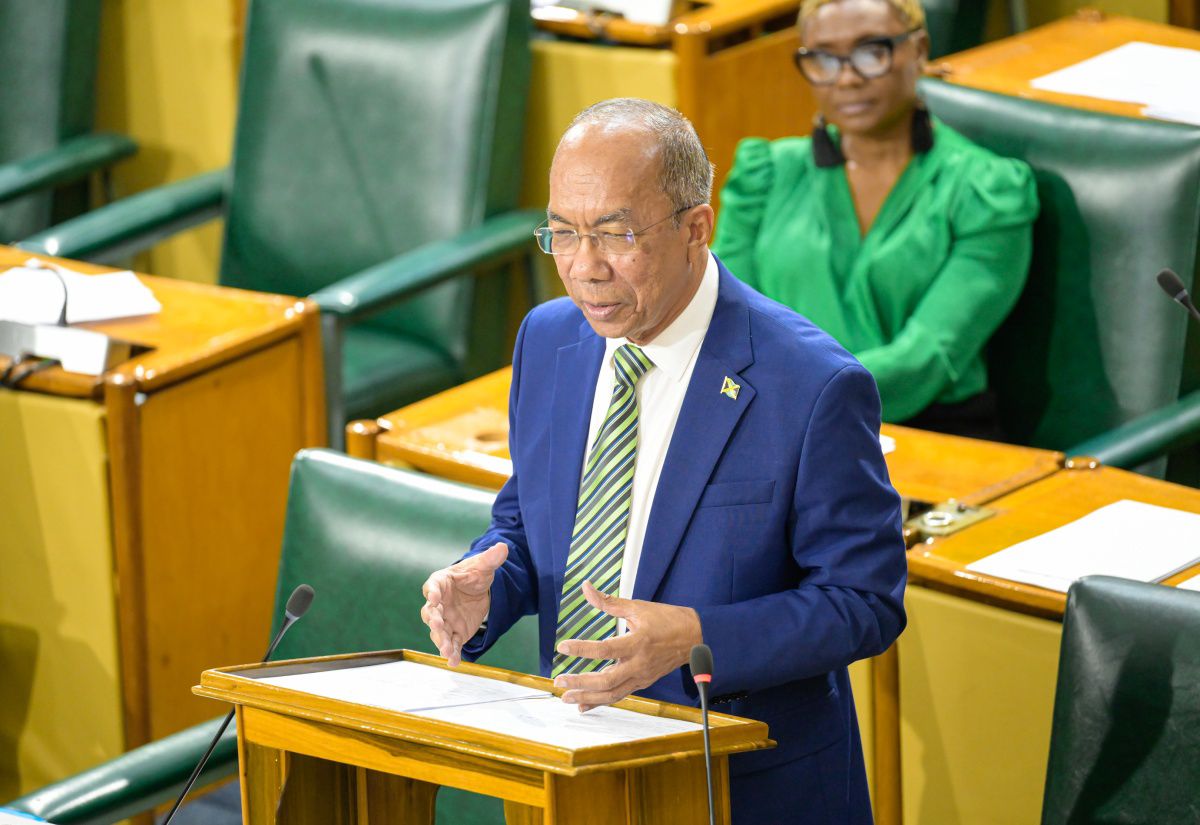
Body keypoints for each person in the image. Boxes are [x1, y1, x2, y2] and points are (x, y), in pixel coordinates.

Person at [420, 98, 906, 824]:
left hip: (742, 785)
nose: (585, 268)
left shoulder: (811, 385)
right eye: (562, 233)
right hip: (577, 768)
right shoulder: (548, 339)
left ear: (695, 227)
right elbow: (530, 519)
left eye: (615, 234)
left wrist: (697, 637)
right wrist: (488, 583)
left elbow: (865, 600)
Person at [713, 0, 1038, 439]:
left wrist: (795, 391)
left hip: (927, 432)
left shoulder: (987, 190)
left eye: (871, 52)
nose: (846, 78)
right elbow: (730, 319)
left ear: (919, 49)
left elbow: (928, 355)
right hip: (777, 421)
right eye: (824, 58)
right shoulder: (765, 174)